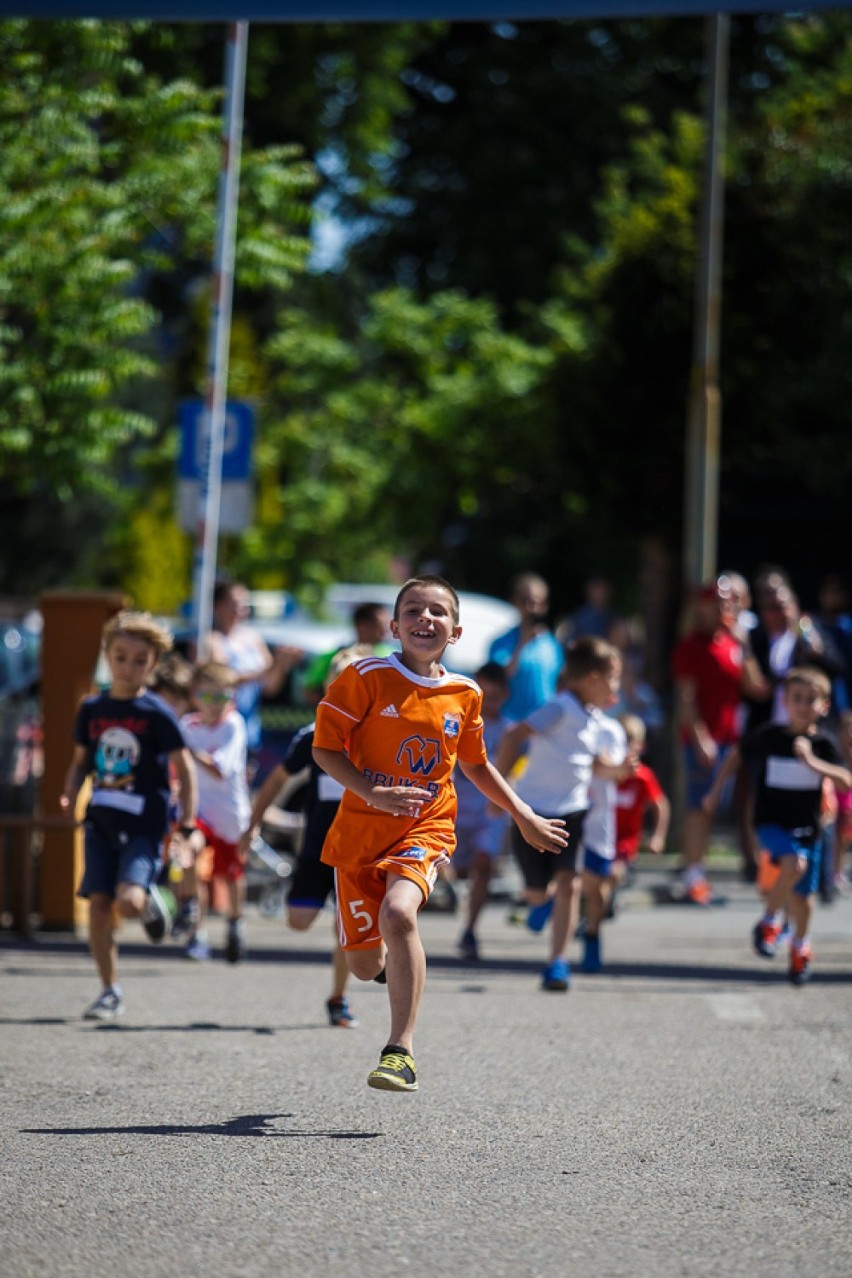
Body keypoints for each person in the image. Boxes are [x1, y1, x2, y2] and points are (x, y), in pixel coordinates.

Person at [312, 574, 568, 1092]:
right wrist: (371, 792)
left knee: (399, 912)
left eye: (437, 612)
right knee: (363, 966)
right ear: (394, 625)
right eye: (412, 610)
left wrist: (522, 813)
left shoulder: (464, 693)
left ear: (455, 631)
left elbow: (476, 765)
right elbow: (324, 750)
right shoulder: (362, 678)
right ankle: (394, 966)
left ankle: (399, 1051)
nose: (424, 619)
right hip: (359, 835)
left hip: (425, 826)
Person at [60, 611, 198, 1020]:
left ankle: (153, 901)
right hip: (100, 821)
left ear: (153, 665)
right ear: (108, 656)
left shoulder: (156, 713)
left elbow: (185, 769)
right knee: (99, 907)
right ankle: (109, 990)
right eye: (120, 656)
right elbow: (81, 761)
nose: (128, 666)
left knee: (128, 904)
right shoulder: (92, 709)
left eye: (139, 660)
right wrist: (70, 793)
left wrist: (186, 825)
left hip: (144, 823)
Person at [239, 645, 376, 1028]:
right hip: (317, 845)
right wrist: (253, 824)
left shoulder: (381, 736)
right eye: (340, 679)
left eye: (357, 680)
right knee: (298, 920)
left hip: (360, 850)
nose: (347, 686)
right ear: (328, 687)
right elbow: (276, 781)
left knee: (343, 928)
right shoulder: (313, 735)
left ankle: (338, 998)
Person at [703, 667, 851, 986]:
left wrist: (812, 763)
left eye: (811, 700)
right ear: (784, 700)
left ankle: (800, 946)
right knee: (792, 863)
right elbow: (736, 757)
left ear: (824, 706)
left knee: (803, 899)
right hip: (770, 822)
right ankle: (769, 921)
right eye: (796, 698)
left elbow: (845, 779)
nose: (803, 705)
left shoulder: (823, 744)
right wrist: (715, 792)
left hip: (808, 827)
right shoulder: (770, 736)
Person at [495, 635, 624, 992]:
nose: (616, 687)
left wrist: (618, 769)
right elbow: (512, 736)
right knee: (538, 893)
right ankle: (541, 902)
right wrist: (502, 790)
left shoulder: (595, 719)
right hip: (534, 812)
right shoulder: (560, 707)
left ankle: (558, 963)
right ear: (593, 679)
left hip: (574, 811)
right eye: (613, 679)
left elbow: (595, 765)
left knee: (571, 884)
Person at [671, 578, 768, 906]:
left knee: (714, 808)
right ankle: (692, 875)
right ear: (702, 606)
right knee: (699, 807)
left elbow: (757, 688)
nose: (724, 608)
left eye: (728, 603)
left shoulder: (732, 643)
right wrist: (700, 739)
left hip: (730, 739)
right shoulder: (691, 646)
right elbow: (686, 699)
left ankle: (698, 873)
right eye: (717, 602)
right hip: (705, 741)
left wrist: (745, 647)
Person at [179, 661, 252, 963]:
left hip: (231, 817)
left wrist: (189, 754)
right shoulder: (187, 726)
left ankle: (235, 923)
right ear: (196, 696)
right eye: (209, 697)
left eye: (223, 697)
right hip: (200, 812)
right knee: (190, 852)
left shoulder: (233, 725)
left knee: (231, 876)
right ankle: (195, 923)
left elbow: (220, 769)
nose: (216, 705)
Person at [199, 579, 300, 766]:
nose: (240, 610)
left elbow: (270, 688)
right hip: (218, 730)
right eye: (234, 605)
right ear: (218, 606)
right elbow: (224, 679)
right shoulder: (211, 640)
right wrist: (271, 667)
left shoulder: (253, 638)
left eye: (243, 605)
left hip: (249, 730)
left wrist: (281, 664)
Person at [453, 661, 511, 962]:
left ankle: (469, 931)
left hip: (490, 810)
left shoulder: (509, 732)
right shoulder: (456, 720)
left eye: (493, 696)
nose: (486, 703)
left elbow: (521, 768)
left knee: (483, 863)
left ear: (504, 695)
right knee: (458, 870)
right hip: (455, 806)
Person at [579, 711, 630, 974]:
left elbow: (617, 771)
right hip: (568, 813)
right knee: (568, 879)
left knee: (596, 887)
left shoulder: (611, 729)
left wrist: (600, 764)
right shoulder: (562, 718)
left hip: (599, 821)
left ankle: (592, 934)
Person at [488, 572, 563, 723]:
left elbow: (560, 684)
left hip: (544, 725)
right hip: (510, 723)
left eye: (537, 602)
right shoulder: (501, 643)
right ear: (515, 601)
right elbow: (499, 679)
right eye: (525, 601)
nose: (531, 608)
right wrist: (522, 642)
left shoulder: (552, 644)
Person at [613, 713, 670, 891]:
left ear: (641, 746)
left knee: (614, 873)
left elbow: (661, 805)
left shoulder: (643, 777)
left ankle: (610, 897)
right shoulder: (604, 773)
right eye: (621, 741)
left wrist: (658, 837)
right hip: (600, 837)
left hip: (625, 841)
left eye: (631, 742)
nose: (626, 748)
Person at [301, 601, 393, 705]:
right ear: (362, 625)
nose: (386, 630)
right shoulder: (333, 657)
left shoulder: (392, 656)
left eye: (387, 624)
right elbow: (309, 691)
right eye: (381, 625)